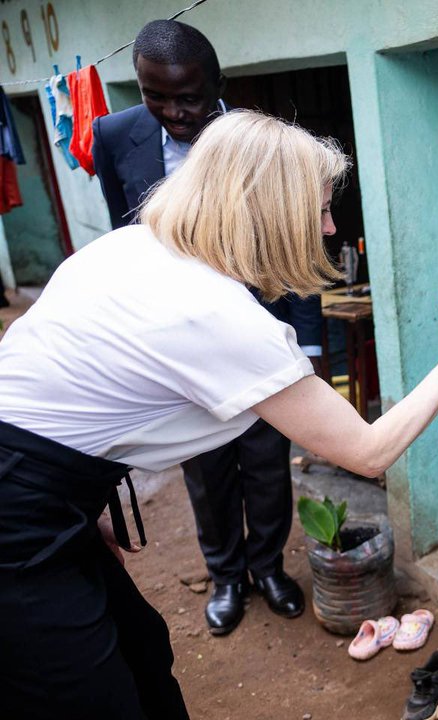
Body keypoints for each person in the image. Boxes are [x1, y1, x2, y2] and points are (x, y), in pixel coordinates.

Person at [0, 111, 438, 720]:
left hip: (40, 491)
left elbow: (38, 386)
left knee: (140, 651)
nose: (329, 228)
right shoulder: (214, 313)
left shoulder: (128, 250)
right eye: (321, 210)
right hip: (18, 515)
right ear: (272, 209)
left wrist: (78, 508)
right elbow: (368, 449)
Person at [92, 20, 324, 635]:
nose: (173, 112)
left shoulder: (260, 140)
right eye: (155, 96)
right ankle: (225, 576)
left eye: (188, 97)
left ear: (217, 84)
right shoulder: (113, 137)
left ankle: (269, 568)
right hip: (178, 344)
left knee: (268, 460)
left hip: (258, 331)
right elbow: (127, 237)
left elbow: (294, 243)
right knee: (205, 463)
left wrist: (310, 342)